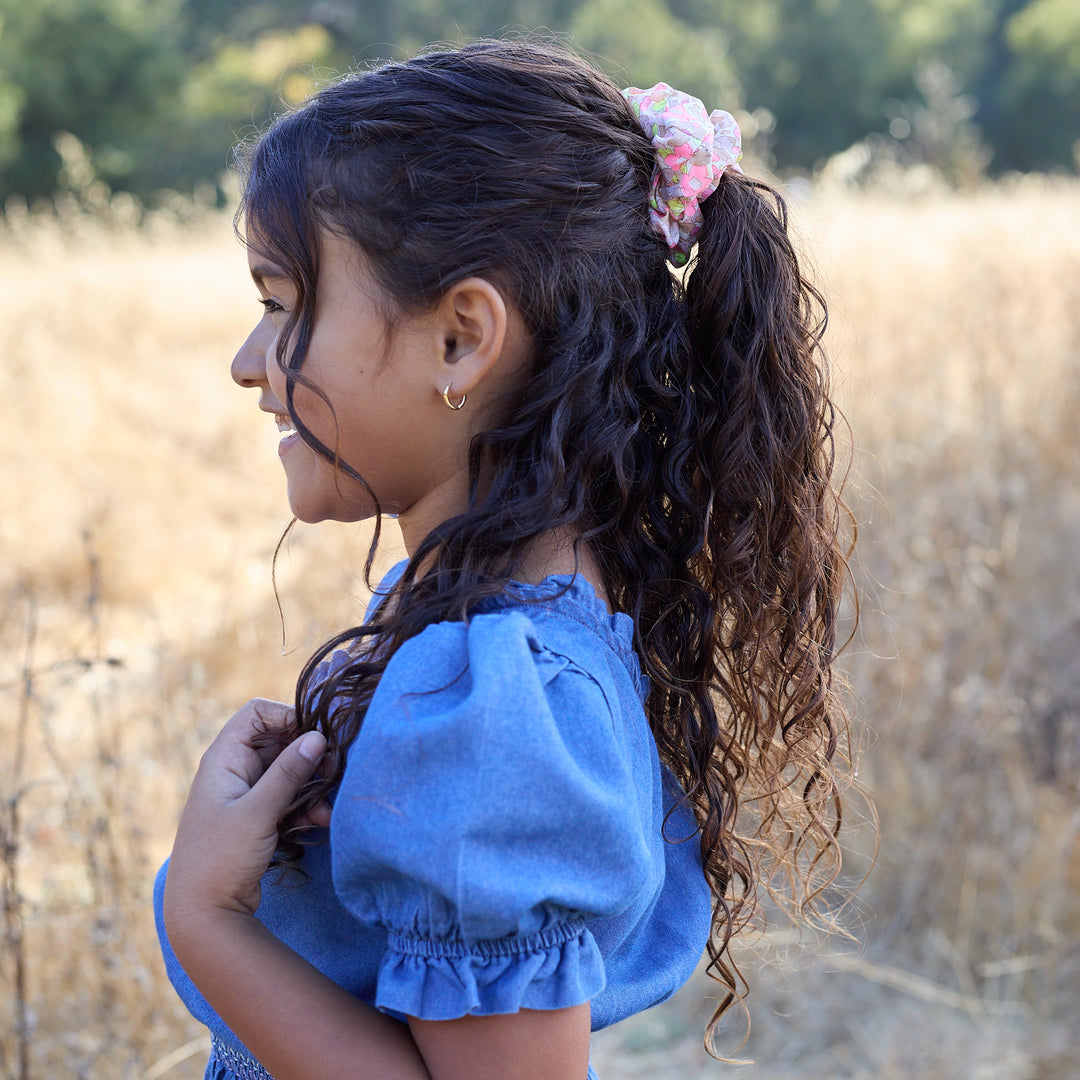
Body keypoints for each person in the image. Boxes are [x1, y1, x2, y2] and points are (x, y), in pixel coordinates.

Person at [155, 39, 854, 1080]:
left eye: (286, 303)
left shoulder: (494, 699)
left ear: (461, 339)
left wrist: (211, 918)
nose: (249, 363)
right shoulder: (481, 629)